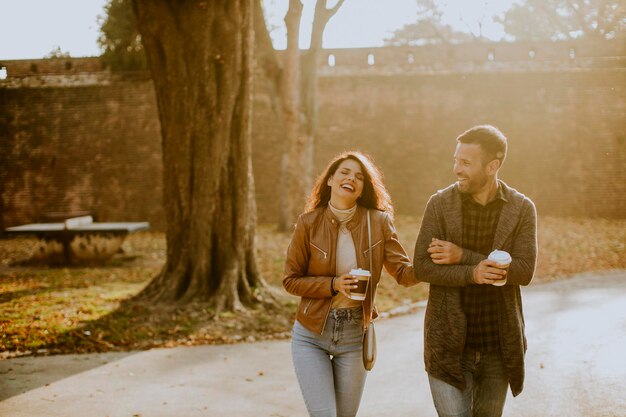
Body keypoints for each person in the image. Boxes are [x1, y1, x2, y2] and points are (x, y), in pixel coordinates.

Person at [413, 125, 538, 417]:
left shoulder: (521, 209)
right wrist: (472, 272)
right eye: (456, 160)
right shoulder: (440, 204)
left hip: (498, 347)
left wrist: (461, 256)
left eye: (466, 163)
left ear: (493, 166)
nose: (457, 169)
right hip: (447, 345)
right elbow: (421, 266)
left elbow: (523, 270)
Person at [283, 151, 418, 417]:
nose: (351, 179)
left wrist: (433, 261)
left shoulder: (378, 222)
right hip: (311, 335)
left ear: (362, 190)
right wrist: (333, 284)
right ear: (331, 180)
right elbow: (291, 280)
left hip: (355, 336)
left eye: (359, 177)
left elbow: (403, 273)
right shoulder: (308, 223)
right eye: (345, 172)